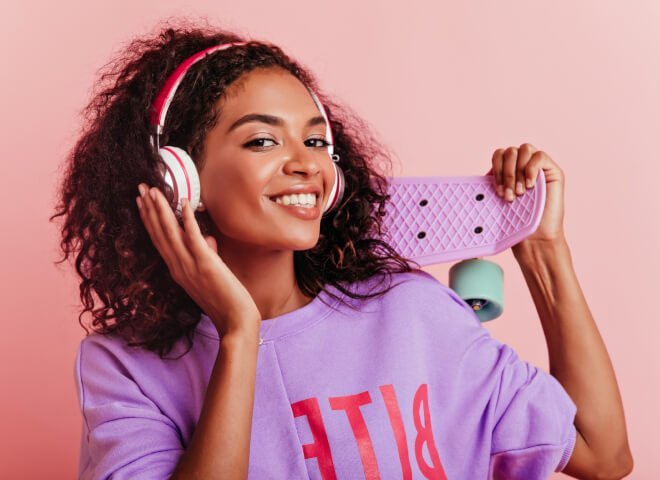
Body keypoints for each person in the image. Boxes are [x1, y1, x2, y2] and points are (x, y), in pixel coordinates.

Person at [51, 20, 632, 480]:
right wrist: (239, 334)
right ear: (178, 177)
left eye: (315, 140)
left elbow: (603, 456)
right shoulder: (124, 369)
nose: (306, 163)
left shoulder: (411, 312)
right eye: (263, 140)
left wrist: (544, 250)